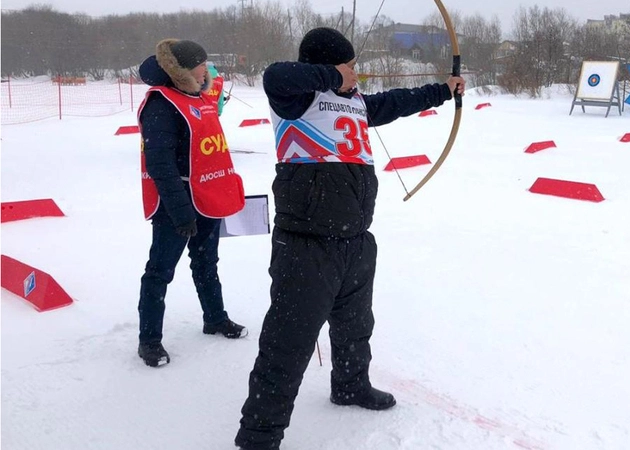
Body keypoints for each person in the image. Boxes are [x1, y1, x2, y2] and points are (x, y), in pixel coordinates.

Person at [234, 27, 465, 449]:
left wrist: (443, 91)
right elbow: (275, 75)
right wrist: (332, 75)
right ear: (329, 66)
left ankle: (350, 384)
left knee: (355, 327)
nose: (355, 74)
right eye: (350, 67)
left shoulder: (356, 102)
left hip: (355, 240)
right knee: (288, 342)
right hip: (306, 244)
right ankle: (259, 435)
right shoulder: (295, 98)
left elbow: (397, 102)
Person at [136, 39, 248, 368]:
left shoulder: (200, 97)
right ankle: (149, 341)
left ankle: (215, 318)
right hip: (176, 206)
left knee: (206, 264)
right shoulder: (161, 103)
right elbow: (160, 165)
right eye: (200, 64)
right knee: (159, 272)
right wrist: (181, 211)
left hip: (206, 200)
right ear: (182, 69)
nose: (206, 69)